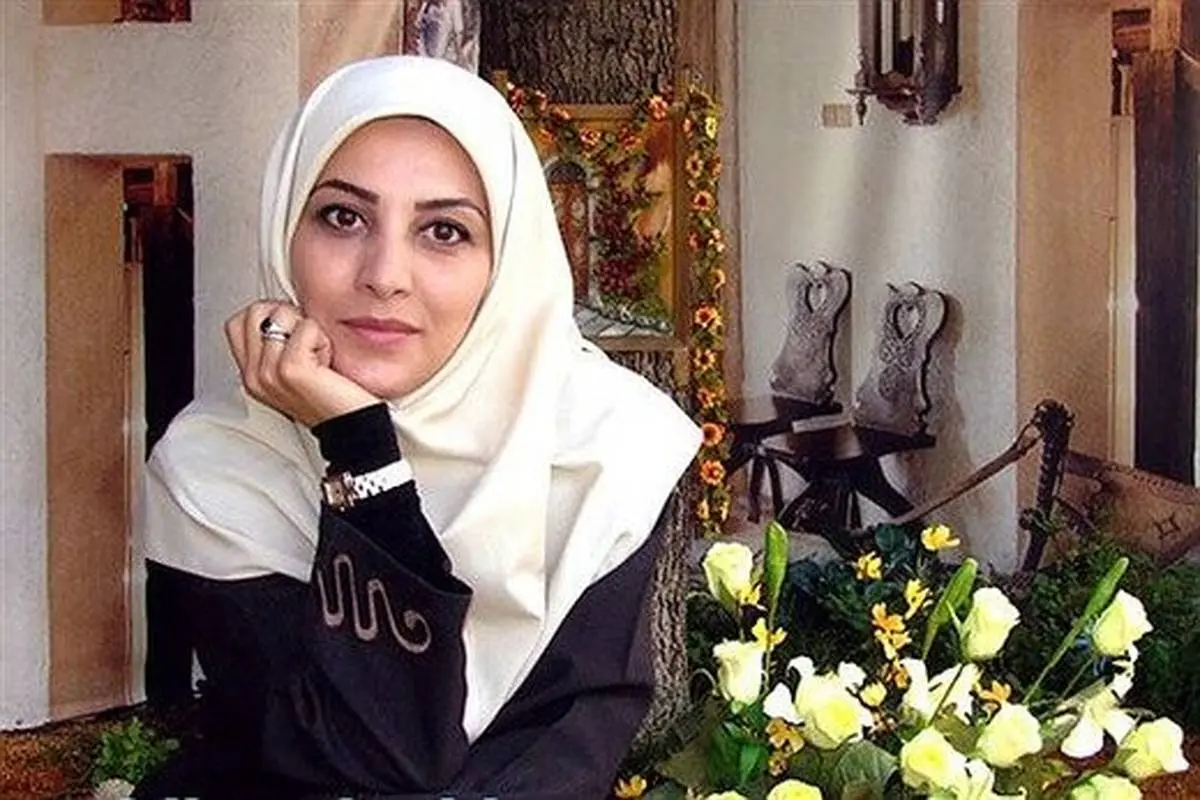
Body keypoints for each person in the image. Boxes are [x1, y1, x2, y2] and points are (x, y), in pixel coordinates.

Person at [134, 55, 700, 798]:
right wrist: (359, 447)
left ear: (508, 264)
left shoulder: (604, 448)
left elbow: (564, 756)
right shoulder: (217, 470)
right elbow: (370, 755)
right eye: (343, 217)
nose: (385, 274)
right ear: (284, 232)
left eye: (443, 230)